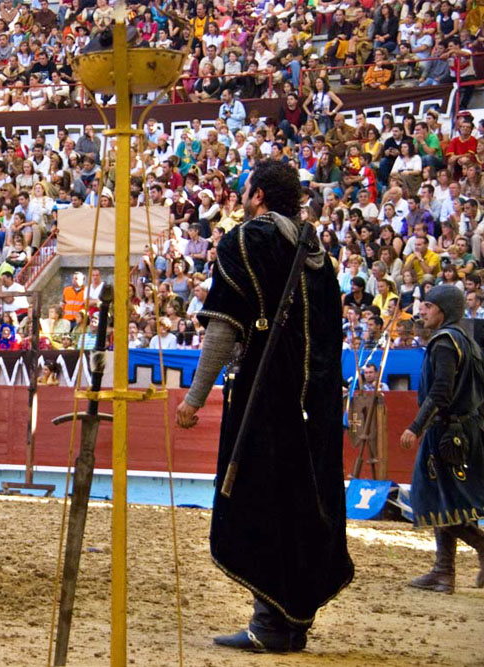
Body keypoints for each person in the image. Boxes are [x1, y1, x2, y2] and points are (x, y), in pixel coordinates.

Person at [176, 160, 353, 652]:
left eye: (245, 187)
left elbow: (223, 327)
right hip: (314, 403)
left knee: (259, 497)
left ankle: (268, 623)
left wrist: (195, 398)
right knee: (302, 500)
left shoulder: (246, 243)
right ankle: (292, 621)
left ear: (257, 196)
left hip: (266, 396)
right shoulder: (317, 253)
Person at [400, 285, 484, 593]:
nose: (422, 311)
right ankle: (443, 571)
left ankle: (459, 561)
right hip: (463, 431)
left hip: (446, 432)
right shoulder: (467, 342)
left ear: (444, 310)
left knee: (436, 498)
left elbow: (440, 392)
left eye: (428, 306)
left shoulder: (446, 343)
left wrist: (416, 426)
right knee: (445, 499)